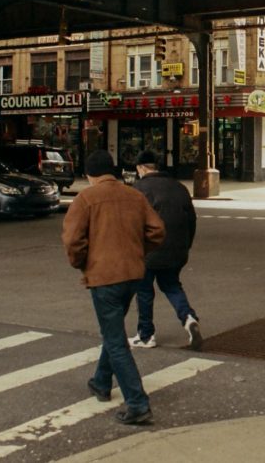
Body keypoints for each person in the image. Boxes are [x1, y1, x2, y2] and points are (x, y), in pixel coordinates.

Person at [62, 150, 166, 426]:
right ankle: (100, 381)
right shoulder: (134, 195)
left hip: (104, 277)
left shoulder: (85, 199)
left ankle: (137, 403)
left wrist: (82, 262)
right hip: (133, 273)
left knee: (115, 340)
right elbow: (157, 231)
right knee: (114, 330)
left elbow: (73, 241)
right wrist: (137, 252)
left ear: (89, 176)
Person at [130, 150, 202, 351]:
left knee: (144, 290)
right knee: (171, 285)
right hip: (177, 251)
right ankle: (188, 318)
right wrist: (186, 245)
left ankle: (146, 335)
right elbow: (192, 220)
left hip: (149, 251)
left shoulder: (138, 189)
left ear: (141, 168)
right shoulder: (179, 186)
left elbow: (132, 223)